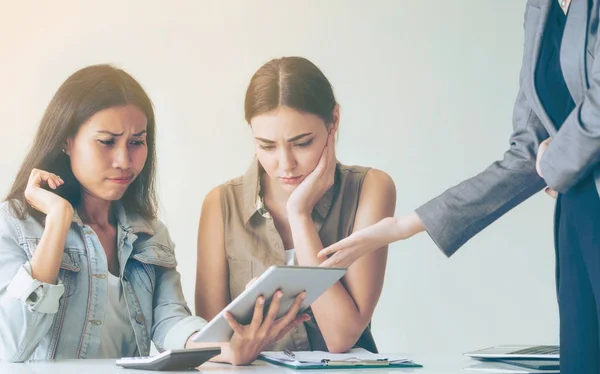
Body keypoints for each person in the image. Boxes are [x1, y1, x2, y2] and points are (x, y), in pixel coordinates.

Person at [318, 1, 600, 372]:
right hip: (579, 213)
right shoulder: (540, 9)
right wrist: (403, 227)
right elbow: (525, 154)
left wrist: (554, 160)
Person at [0, 64, 304, 365]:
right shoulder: (14, 224)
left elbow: (170, 320)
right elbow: (12, 347)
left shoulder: (149, 232)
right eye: (107, 141)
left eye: (136, 142)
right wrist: (57, 220)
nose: (124, 159)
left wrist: (224, 349)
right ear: (66, 141)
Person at [195, 56, 396, 354]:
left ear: (334, 122)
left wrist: (299, 215)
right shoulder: (221, 204)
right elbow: (211, 347)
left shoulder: (370, 188)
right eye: (266, 146)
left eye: (302, 143)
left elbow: (342, 337)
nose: (286, 165)